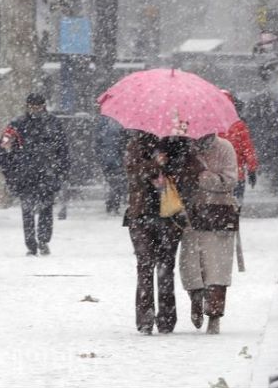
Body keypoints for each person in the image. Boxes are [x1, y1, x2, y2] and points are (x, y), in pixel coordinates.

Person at [123, 131, 203, 335]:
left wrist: (174, 168)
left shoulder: (182, 145)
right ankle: (145, 318)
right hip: (141, 215)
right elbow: (133, 174)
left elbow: (195, 174)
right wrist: (155, 165)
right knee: (145, 265)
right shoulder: (137, 144)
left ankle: (166, 319)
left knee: (166, 267)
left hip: (170, 216)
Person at [179, 134, 238, 335]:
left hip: (218, 214)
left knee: (217, 268)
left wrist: (203, 175)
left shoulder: (224, 147)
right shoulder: (184, 148)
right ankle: (196, 299)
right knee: (191, 266)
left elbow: (230, 181)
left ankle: (214, 314)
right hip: (190, 215)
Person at [0, 93, 69, 256]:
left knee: (45, 208)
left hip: (45, 172)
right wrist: (11, 167)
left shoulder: (53, 123)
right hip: (27, 173)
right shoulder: (18, 124)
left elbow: (62, 148)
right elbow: (6, 146)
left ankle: (43, 241)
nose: (34, 110)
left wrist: (62, 169)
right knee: (28, 209)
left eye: (37, 107)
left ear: (44, 106)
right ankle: (31, 243)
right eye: (32, 107)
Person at [218, 89, 259, 205]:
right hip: (236, 174)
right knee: (235, 206)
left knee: (216, 208)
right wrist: (252, 169)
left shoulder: (209, 126)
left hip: (215, 176)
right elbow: (248, 149)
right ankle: (232, 220)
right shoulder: (239, 125)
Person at [95, 115, 128, 215]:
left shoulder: (102, 121)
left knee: (111, 182)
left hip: (106, 158)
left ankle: (111, 203)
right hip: (116, 158)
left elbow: (97, 142)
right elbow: (124, 141)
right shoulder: (122, 121)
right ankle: (114, 204)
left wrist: (100, 156)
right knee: (117, 183)